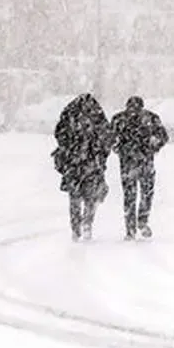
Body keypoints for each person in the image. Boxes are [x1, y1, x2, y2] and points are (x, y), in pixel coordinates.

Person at [52, 93, 112, 242]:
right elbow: (106, 139)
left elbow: (59, 135)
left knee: (74, 197)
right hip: (91, 163)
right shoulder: (97, 117)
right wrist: (101, 155)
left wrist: (69, 148)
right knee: (90, 197)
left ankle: (75, 227)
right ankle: (87, 223)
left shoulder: (69, 116)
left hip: (73, 164)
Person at [110, 96, 169, 240]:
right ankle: (142, 222)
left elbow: (110, 138)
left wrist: (119, 150)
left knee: (130, 197)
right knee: (146, 195)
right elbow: (164, 137)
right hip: (145, 162)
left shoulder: (119, 119)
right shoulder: (151, 118)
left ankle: (130, 229)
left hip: (128, 164)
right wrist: (153, 146)